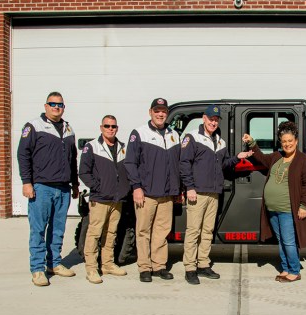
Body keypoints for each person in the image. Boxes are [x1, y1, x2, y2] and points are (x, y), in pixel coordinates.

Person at [180, 104, 252, 285]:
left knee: (207, 231)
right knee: (193, 231)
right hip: (197, 193)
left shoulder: (220, 142)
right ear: (204, 119)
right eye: (211, 119)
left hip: (213, 193)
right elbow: (184, 164)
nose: (213, 122)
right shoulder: (192, 138)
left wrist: (238, 157)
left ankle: (203, 264)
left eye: (216, 120)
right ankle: (190, 267)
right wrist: (189, 187)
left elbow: (224, 165)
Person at [17, 91, 79, 287]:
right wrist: (27, 182)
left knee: (58, 229)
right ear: (45, 106)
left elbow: (72, 159)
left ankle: (54, 263)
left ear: (63, 107)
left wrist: (75, 184)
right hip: (41, 187)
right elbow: (23, 155)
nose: (56, 107)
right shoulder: (33, 126)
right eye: (52, 104)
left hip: (62, 188)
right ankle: (37, 269)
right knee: (38, 229)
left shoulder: (68, 129)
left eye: (60, 105)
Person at [242, 121, 306, 282]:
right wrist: (252, 143)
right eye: (284, 141)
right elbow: (260, 158)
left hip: (288, 208)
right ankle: (286, 267)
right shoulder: (277, 156)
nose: (287, 144)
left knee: (289, 241)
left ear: (296, 141)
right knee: (281, 240)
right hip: (273, 209)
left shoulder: (303, 160)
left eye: (290, 141)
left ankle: (294, 270)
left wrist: (304, 205)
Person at [124, 98, 180, 283]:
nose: (160, 114)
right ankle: (144, 267)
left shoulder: (174, 135)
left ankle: (159, 266)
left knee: (162, 231)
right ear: (150, 112)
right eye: (157, 110)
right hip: (146, 193)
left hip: (166, 194)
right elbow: (130, 163)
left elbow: (177, 164)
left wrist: (177, 189)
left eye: (163, 111)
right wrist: (136, 187)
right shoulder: (139, 133)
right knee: (143, 231)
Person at [79, 115, 131, 284]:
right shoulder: (92, 147)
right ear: (101, 127)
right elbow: (84, 172)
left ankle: (107, 263)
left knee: (111, 232)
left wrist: (125, 189)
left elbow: (128, 171)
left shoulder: (123, 148)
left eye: (113, 126)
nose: (110, 129)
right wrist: (97, 187)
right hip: (100, 198)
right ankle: (92, 268)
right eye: (107, 126)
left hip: (117, 199)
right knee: (95, 233)